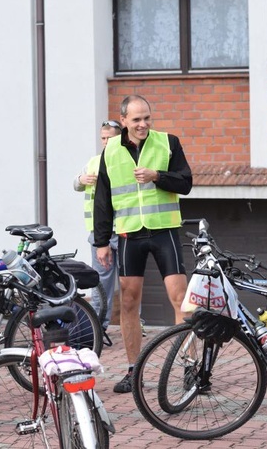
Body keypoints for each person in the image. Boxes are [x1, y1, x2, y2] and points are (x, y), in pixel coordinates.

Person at [93, 94, 192, 393]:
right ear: (123, 120)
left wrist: (157, 176)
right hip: (128, 235)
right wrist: (101, 242)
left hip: (164, 232)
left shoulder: (168, 142)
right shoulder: (110, 152)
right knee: (129, 302)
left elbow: (185, 183)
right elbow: (102, 200)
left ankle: (189, 365)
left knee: (180, 299)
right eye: (136, 119)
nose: (143, 124)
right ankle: (134, 370)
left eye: (147, 118)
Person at [73, 120, 122, 331]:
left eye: (110, 138)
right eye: (103, 138)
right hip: (100, 232)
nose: (106, 142)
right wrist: (81, 178)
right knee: (101, 282)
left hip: (124, 229)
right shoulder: (94, 162)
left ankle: (135, 323)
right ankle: (98, 327)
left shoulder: (126, 161)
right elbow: (75, 184)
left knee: (131, 281)